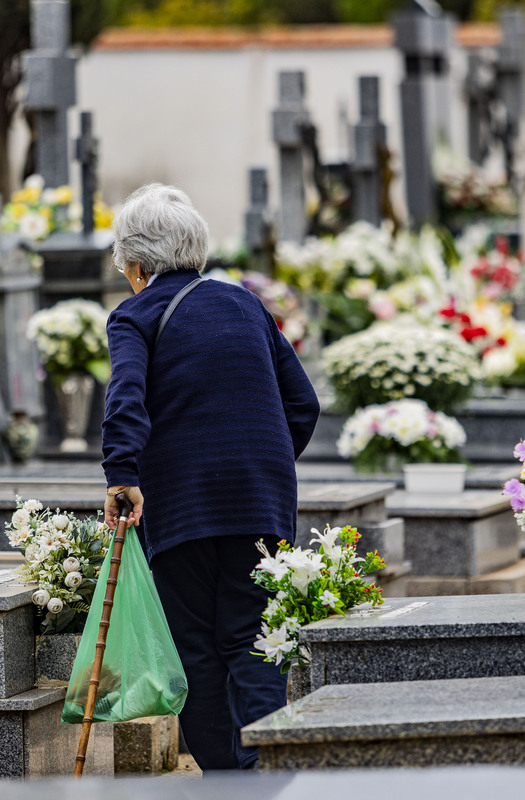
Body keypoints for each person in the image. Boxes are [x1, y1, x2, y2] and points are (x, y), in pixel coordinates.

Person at [100, 183, 320, 771]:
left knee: (196, 651)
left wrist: (122, 473)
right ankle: (268, 775)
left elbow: (126, 396)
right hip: (261, 503)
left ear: (138, 264)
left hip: (182, 507)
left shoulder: (134, 314)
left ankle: (226, 781)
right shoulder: (246, 303)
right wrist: (261, 467)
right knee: (255, 642)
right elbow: (304, 406)